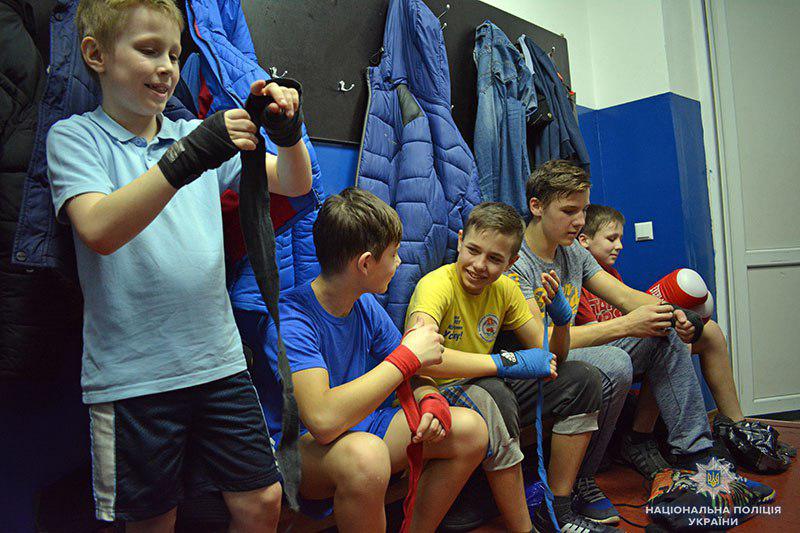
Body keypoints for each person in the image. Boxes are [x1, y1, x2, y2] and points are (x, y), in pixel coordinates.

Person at [47, 0, 313, 529]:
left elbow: (294, 182)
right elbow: (99, 229)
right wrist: (189, 155)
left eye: (174, 53)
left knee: (263, 500)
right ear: (96, 55)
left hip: (219, 362)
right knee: (154, 520)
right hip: (134, 377)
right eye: (149, 50)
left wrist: (288, 135)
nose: (167, 67)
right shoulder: (75, 138)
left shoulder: (189, 132)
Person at [508, 160, 774, 524]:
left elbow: (624, 296)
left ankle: (700, 460)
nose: (579, 221)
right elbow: (543, 341)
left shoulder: (573, 252)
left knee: (663, 330)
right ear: (536, 206)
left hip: (574, 353)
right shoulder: (517, 261)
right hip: (537, 364)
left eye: (583, 210)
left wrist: (672, 314)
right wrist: (628, 325)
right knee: (616, 362)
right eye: (569, 211)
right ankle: (583, 480)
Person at [259, 188, 489, 532]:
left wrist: (429, 398)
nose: (398, 263)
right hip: (299, 450)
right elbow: (322, 420)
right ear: (365, 263)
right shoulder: (292, 321)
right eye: (393, 254)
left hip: (360, 428)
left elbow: (410, 371)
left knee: (469, 430)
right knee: (367, 456)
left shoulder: (363, 303)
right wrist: (407, 359)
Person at [406, 202, 612, 532]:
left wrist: (561, 323)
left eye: (494, 259)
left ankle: (556, 507)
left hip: (483, 383)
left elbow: (550, 356)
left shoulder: (506, 289)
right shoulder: (435, 286)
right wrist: (504, 363)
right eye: (473, 250)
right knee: (495, 393)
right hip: (439, 393)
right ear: (460, 241)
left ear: (511, 262)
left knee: (582, 378)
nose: (479, 265)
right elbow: (418, 359)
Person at [577, 203, 795, 472]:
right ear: (584, 241)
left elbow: (628, 301)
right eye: (611, 239)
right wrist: (645, 324)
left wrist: (679, 315)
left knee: (710, 332)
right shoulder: (577, 279)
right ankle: (640, 438)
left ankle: (738, 429)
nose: (619, 246)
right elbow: (599, 337)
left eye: (620, 238)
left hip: (626, 348)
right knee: (662, 336)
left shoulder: (609, 275)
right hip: (603, 356)